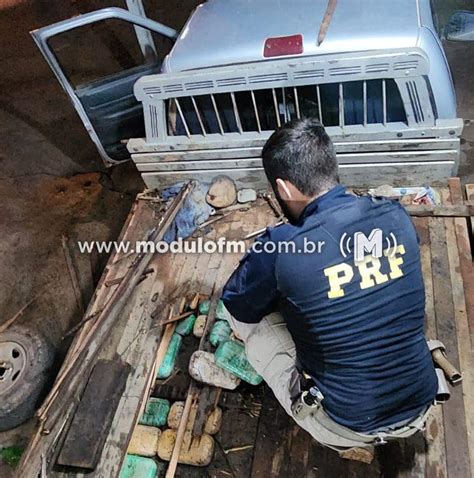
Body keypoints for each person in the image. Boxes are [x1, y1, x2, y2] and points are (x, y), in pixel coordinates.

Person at [221, 118, 438, 453]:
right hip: (422, 402)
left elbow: (236, 302)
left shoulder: (283, 245)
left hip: (347, 425)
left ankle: (336, 437)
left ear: (284, 189)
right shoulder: (395, 215)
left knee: (250, 321)